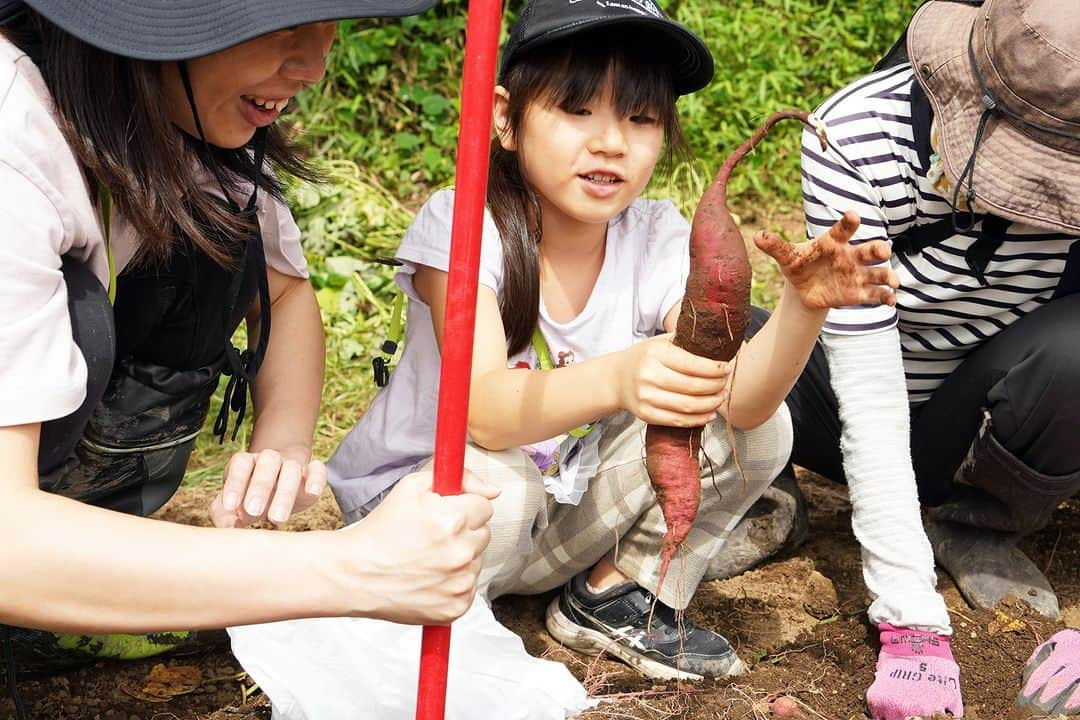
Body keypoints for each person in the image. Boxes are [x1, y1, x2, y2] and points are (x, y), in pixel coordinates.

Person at [328, 0, 899, 681]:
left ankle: (618, 594)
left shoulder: (654, 235)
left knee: (765, 433)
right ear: (506, 117)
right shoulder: (463, 224)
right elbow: (481, 412)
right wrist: (621, 378)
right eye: (577, 111)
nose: (611, 143)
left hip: (556, 517)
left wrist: (801, 309)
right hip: (420, 523)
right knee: (496, 488)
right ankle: (417, 634)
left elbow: (739, 405)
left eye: (641, 118)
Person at [0, 0, 497, 690]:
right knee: (88, 317)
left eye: (330, 29)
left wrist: (285, 444)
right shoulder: (12, 142)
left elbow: (286, 295)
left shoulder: (174, 122)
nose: (315, 65)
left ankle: (96, 564)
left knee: (220, 248)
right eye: (280, 26)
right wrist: (353, 567)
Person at [755, 0, 1080, 717]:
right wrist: (912, 621)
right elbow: (866, 383)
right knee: (733, 334)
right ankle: (764, 491)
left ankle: (974, 519)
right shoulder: (852, 138)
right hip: (844, 400)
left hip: (974, 422)